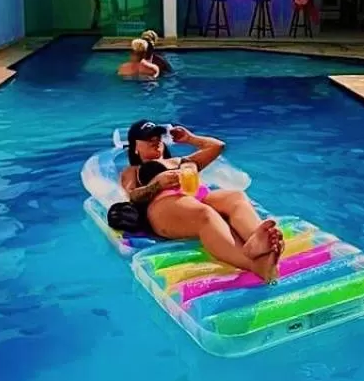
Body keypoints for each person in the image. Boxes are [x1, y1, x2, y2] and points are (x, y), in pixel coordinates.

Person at [119, 119, 283, 281]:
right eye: (148, 139)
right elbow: (133, 195)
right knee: (204, 213)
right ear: (135, 147)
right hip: (164, 206)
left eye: (157, 138)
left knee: (235, 197)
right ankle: (256, 265)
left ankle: (259, 245)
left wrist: (190, 139)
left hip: (197, 197)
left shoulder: (180, 161)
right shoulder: (133, 171)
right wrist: (156, 185)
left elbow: (217, 146)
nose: (155, 142)